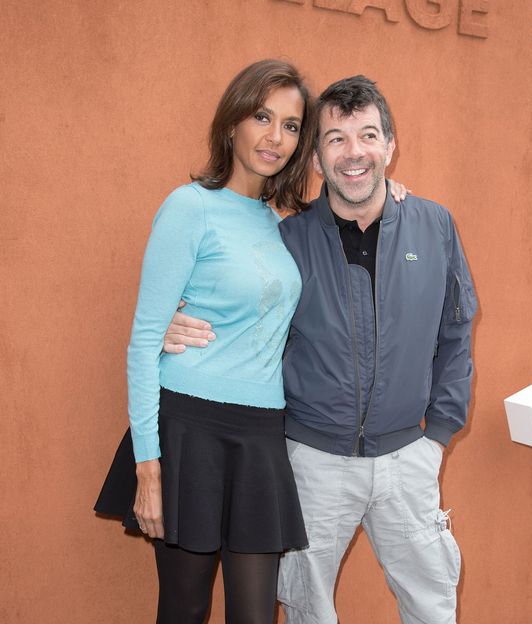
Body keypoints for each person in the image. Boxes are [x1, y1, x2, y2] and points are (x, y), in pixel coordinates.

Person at [95, 61, 408, 624]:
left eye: (291, 125)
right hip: (189, 426)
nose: (275, 137)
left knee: (258, 614)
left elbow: (355, 205)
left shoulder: (279, 223)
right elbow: (143, 343)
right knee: (185, 609)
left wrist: (392, 190)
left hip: (262, 432)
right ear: (232, 122)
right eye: (263, 117)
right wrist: (149, 468)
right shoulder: (189, 207)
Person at [164, 75, 477, 624]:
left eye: (368, 135)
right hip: (313, 461)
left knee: (433, 606)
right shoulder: (289, 241)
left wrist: (439, 436)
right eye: (336, 138)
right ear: (315, 156)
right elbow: (240, 311)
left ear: (390, 145)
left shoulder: (435, 226)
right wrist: (173, 323)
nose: (354, 152)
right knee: (309, 610)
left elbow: (456, 333)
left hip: (409, 458)